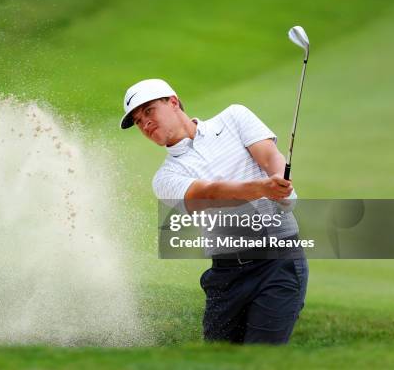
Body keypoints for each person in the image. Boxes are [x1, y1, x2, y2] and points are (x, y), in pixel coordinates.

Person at [120, 78, 308, 344]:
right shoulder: (165, 177)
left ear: (173, 102)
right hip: (226, 276)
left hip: (278, 263)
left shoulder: (234, 117)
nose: (144, 123)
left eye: (148, 111)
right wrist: (262, 188)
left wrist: (279, 183)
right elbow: (211, 194)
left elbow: (269, 156)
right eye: (138, 121)